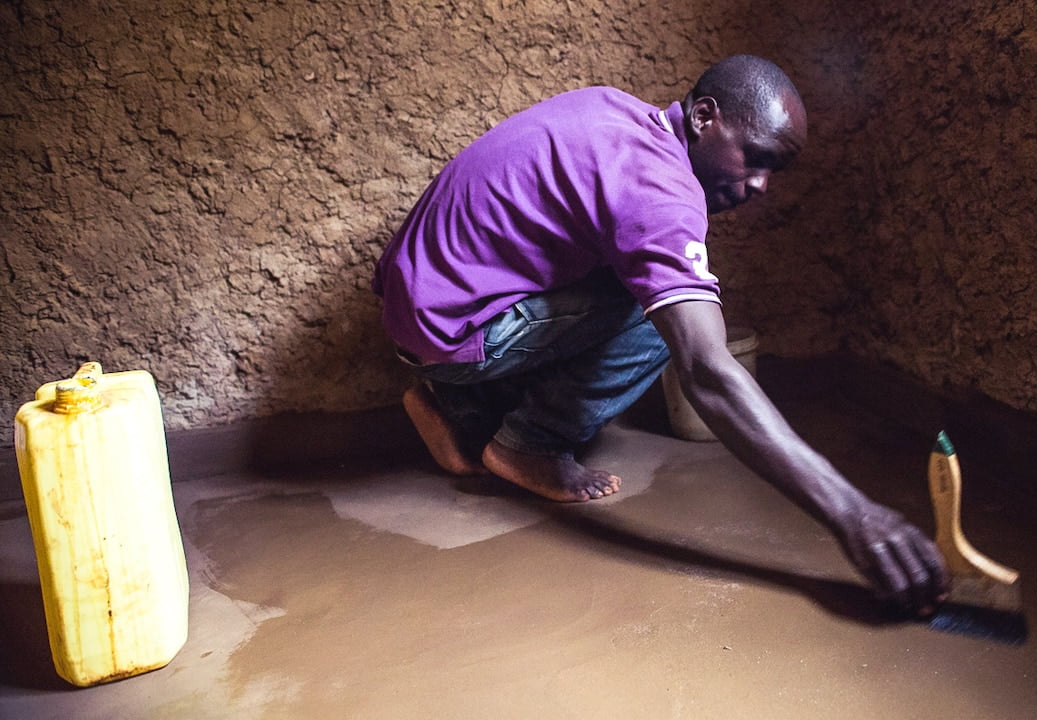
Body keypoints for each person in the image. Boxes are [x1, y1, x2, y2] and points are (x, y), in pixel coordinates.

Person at [373, 55, 948, 615]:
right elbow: (706, 370)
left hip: (421, 312)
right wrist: (853, 513)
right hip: (455, 332)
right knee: (664, 322)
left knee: (639, 281)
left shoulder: (617, 112)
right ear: (704, 118)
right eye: (755, 158)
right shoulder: (660, 190)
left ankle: (453, 406)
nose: (761, 186)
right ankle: (529, 445)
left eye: (775, 170)